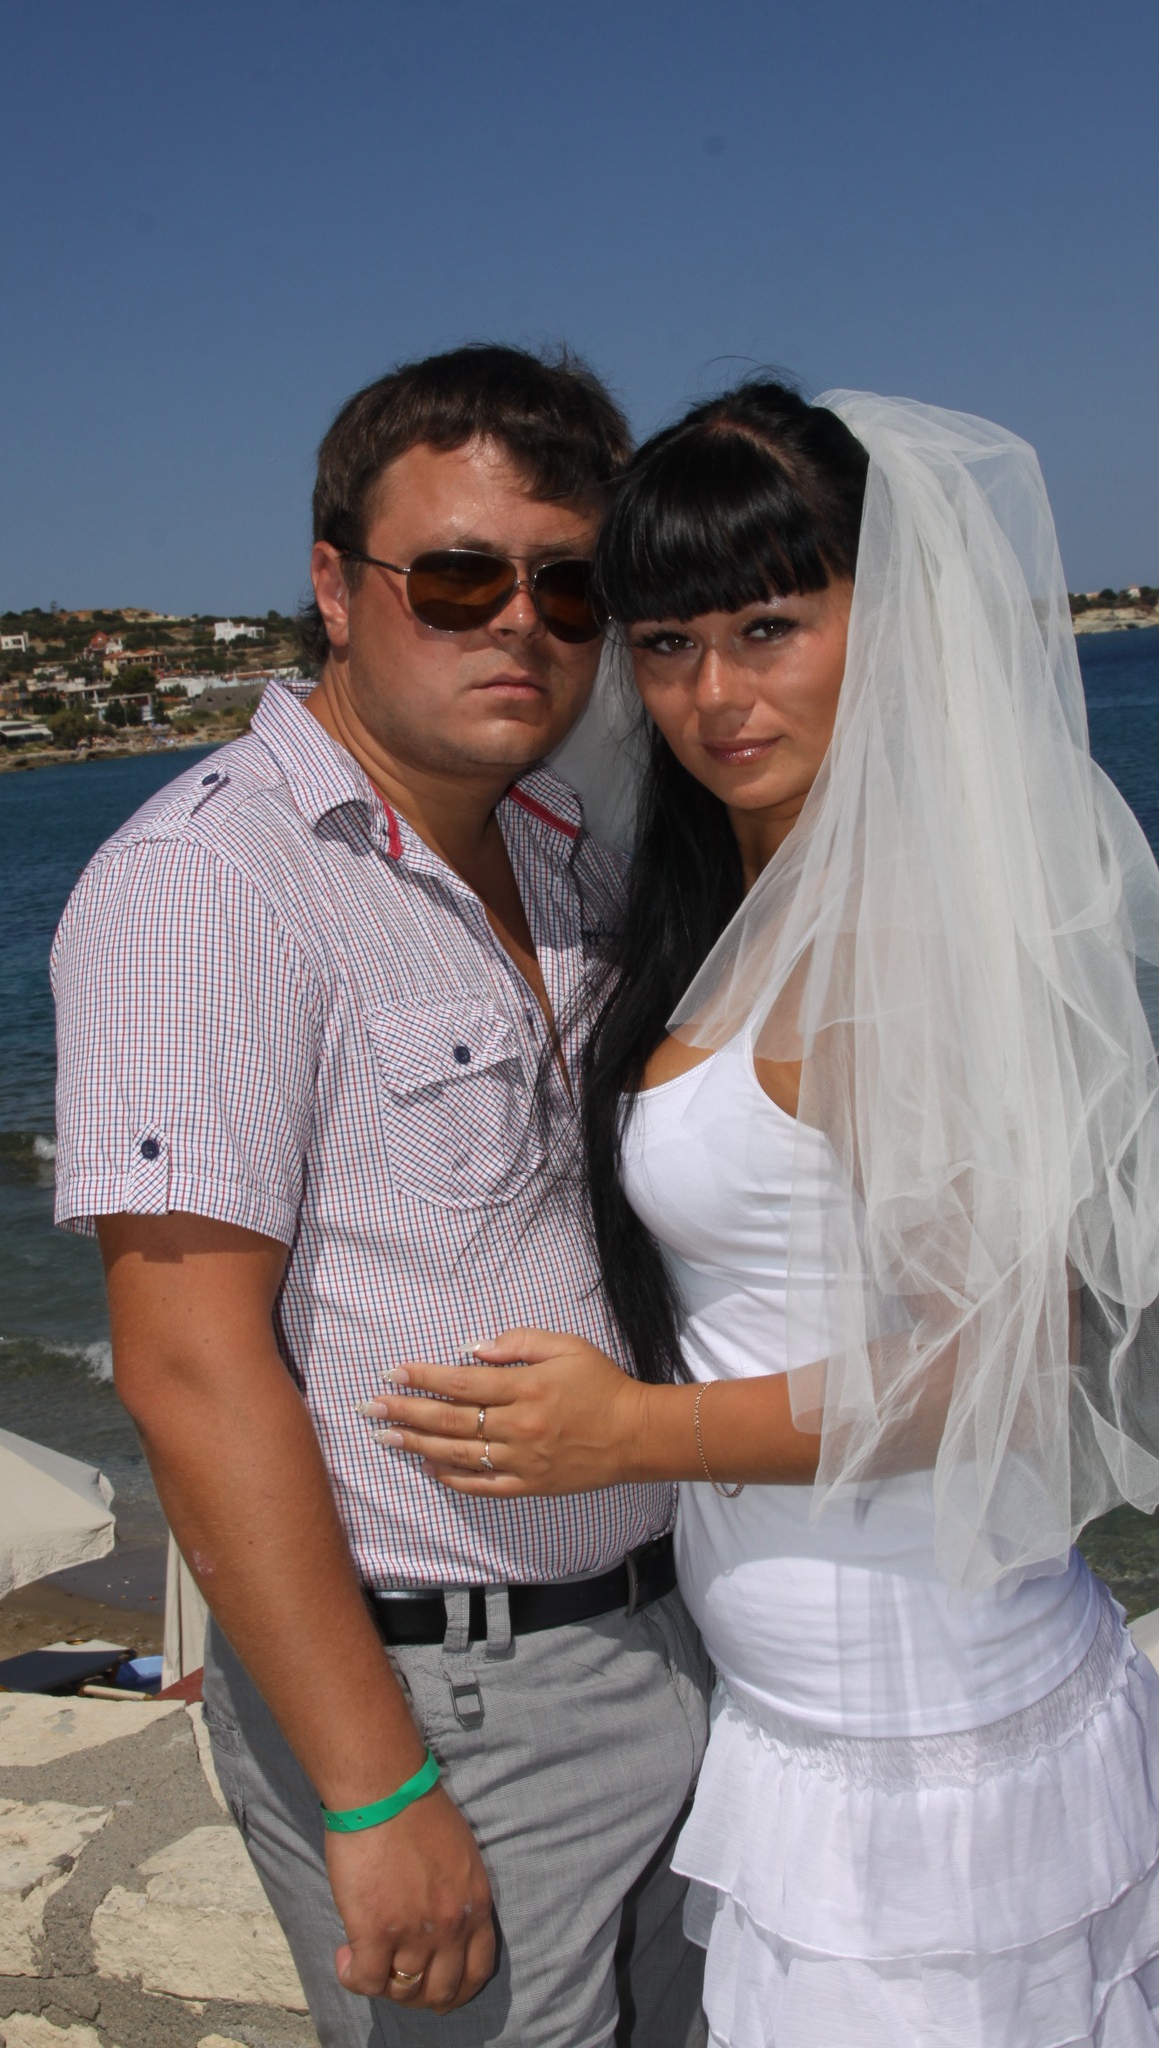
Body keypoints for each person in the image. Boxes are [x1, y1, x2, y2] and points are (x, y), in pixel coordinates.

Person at [369, 383, 1159, 2047]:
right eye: (669, 644)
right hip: (818, 1705)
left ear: (884, 618)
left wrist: (628, 1433)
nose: (715, 695)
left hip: (916, 1722)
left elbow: (997, 1363)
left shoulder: (891, 945)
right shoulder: (751, 899)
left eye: (771, 627)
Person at [51, 343, 709, 2048]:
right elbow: (187, 1367)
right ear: (338, 590)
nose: (522, 626)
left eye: (572, 587)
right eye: (461, 578)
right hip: (441, 1698)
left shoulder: (563, 847)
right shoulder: (208, 886)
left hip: (666, 1639)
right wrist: (373, 1789)